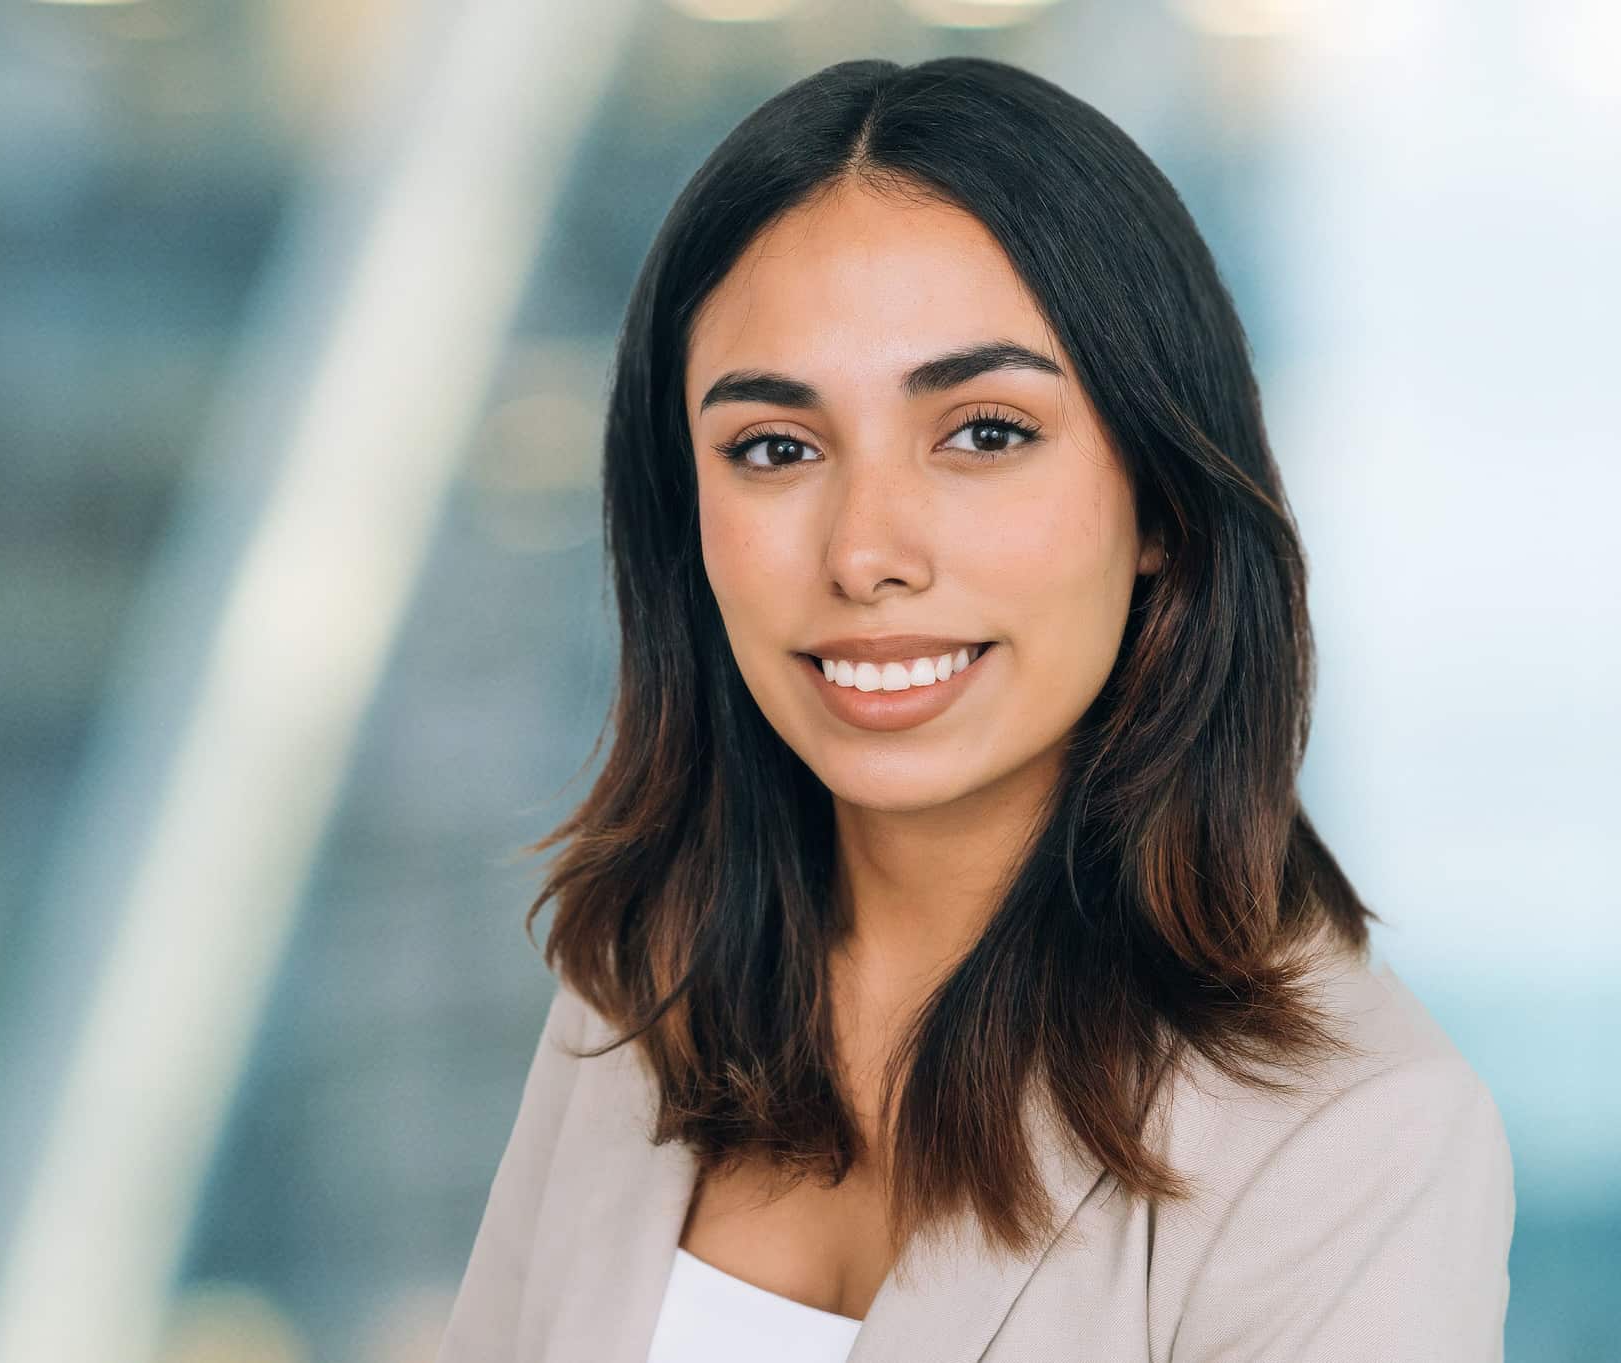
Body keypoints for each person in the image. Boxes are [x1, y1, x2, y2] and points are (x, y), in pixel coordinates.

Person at [435, 55, 1514, 1363]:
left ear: (1162, 501)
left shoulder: (1354, 1144)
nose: (866, 552)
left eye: (984, 433)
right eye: (776, 448)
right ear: (686, 518)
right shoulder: (640, 998)